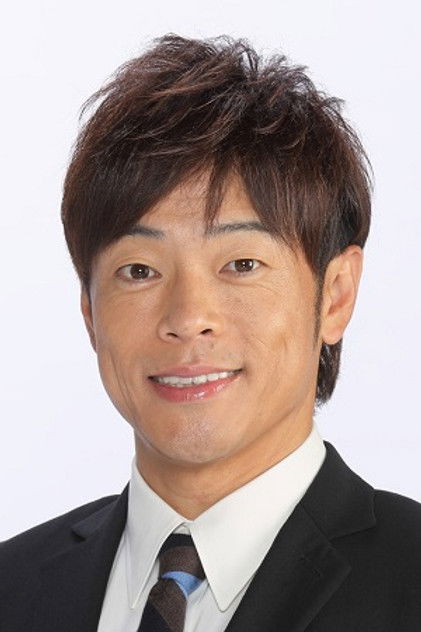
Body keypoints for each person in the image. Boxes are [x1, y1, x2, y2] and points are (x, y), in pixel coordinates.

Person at [1, 33, 420, 632]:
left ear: (335, 295)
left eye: (241, 264)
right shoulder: (13, 586)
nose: (187, 318)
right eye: (139, 271)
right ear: (90, 312)